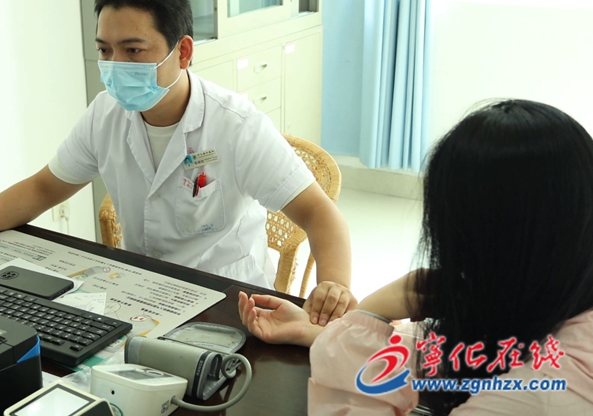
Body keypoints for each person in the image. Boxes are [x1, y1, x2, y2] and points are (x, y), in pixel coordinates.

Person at [0, 0, 356, 325]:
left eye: (133, 51)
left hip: (227, 303)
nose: (115, 66)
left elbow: (320, 215)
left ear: (183, 52)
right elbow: (43, 188)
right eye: (104, 51)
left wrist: (334, 287)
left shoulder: (236, 126)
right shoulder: (105, 113)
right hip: (141, 292)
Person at [239, 100, 593, 414]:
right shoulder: (559, 306)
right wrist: (325, 333)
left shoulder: (534, 397)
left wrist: (364, 321)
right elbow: (463, 348)